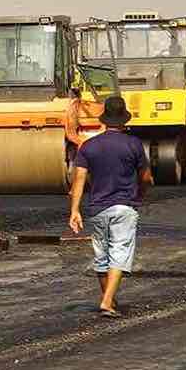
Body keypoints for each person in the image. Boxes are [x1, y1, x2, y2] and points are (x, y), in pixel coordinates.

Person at [67, 94, 153, 317]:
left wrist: (75, 210)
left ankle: (109, 298)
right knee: (119, 253)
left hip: (97, 208)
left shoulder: (89, 146)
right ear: (124, 120)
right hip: (124, 207)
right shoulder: (133, 144)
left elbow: (78, 179)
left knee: (102, 256)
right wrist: (140, 195)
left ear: (104, 119)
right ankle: (106, 302)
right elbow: (146, 177)